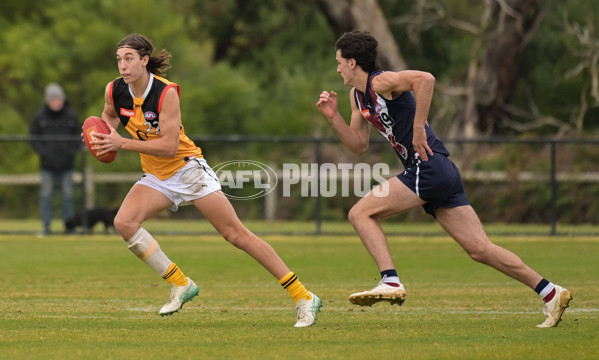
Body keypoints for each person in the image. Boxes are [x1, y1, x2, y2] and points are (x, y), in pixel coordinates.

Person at [316, 30, 572, 328]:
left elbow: (425, 79)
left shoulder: (380, 82)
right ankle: (551, 292)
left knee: (360, 213)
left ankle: (391, 281)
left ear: (351, 62)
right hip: (439, 170)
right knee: (480, 249)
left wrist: (418, 127)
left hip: (428, 166)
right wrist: (334, 117)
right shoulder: (357, 96)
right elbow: (358, 145)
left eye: (338, 62)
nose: (336, 69)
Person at [88, 33, 321, 327]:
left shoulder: (165, 92)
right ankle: (180, 283)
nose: (122, 65)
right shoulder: (114, 90)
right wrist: (101, 135)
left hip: (188, 170)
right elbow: (108, 117)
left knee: (236, 235)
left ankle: (304, 296)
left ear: (145, 60)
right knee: (124, 222)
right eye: (119, 59)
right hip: (157, 176)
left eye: (129, 58)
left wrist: (122, 144)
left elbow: (169, 147)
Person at [30, 83, 81, 235]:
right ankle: (46, 227)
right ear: (48, 101)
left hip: (67, 165)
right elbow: (33, 138)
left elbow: (79, 137)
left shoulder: (71, 116)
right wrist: (44, 153)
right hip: (47, 166)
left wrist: (70, 153)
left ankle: (69, 227)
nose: (57, 102)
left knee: (68, 197)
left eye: (59, 99)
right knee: (46, 197)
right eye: (54, 99)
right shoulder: (39, 117)